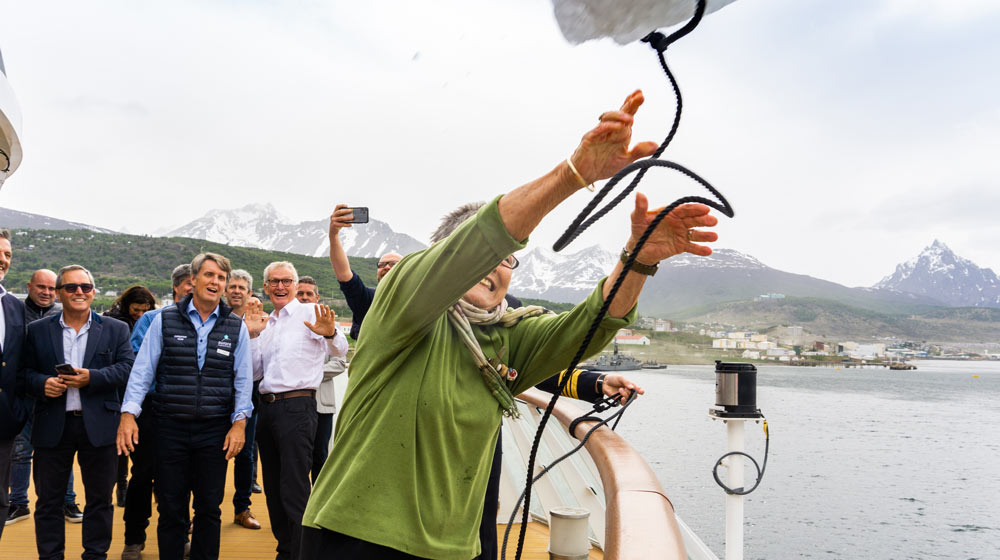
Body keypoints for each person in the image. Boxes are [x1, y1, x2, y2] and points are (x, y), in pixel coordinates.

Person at [300, 90, 719, 559]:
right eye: (484, 254)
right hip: (355, 537)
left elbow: (588, 325)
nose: (495, 264)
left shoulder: (507, 336)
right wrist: (574, 174)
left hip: (452, 548)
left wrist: (636, 262)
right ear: (446, 255)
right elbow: (480, 241)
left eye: (507, 260)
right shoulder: (403, 304)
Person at [117, 253, 253, 560]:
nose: (215, 282)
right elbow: (142, 372)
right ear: (193, 281)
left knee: (209, 508)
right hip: (170, 428)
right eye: (209, 275)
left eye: (221, 277)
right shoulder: (164, 320)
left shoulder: (236, 327)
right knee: (171, 508)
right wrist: (129, 414)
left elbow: (243, 381)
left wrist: (240, 423)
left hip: (214, 430)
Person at [23, 264, 135, 559]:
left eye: (85, 287)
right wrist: (41, 383)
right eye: (71, 287)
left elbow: (127, 369)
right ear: (59, 293)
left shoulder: (115, 328)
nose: (79, 292)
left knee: (100, 501)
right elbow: (23, 373)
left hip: (99, 426)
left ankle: (95, 556)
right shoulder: (36, 330)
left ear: (93, 291)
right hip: (51, 425)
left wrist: (92, 378)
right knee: (48, 502)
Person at [242, 261, 348, 560]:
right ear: (265, 287)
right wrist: (251, 336)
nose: (280, 286)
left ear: (294, 283)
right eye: (273, 281)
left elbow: (339, 350)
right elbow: (252, 373)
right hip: (267, 409)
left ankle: (305, 553)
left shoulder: (309, 312)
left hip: (298, 407)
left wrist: (329, 335)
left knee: (295, 488)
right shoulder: (266, 323)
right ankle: (286, 549)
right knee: (274, 489)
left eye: (286, 281)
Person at [120, 265, 194, 560]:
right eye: (190, 284)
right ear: (176, 287)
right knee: (143, 474)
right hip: (152, 409)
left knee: (179, 479)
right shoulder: (152, 318)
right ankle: (134, 539)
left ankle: (178, 538)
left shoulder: (205, 321)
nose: (195, 288)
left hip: (185, 411)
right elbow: (138, 364)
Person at [8, 268, 82, 526]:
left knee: (62, 450)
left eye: (52, 289)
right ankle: (18, 502)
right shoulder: (13, 311)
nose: (47, 293)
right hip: (24, 391)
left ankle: (68, 500)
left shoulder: (62, 315)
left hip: (57, 395)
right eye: (41, 287)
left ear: (59, 292)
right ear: (29, 286)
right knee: (20, 450)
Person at [103, 285, 157, 509]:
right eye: (136, 310)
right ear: (127, 306)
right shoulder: (112, 322)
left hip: (143, 392)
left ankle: (146, 482)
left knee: (142, 444)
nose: (141, 315)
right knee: (122, 443)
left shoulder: (155, 320)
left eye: (145, 310)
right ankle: (122, 485)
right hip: (119, 388)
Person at [293, 276, 347, 481]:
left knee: (319, 457)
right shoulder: (285, 324)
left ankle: (318, 506)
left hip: (321, 405)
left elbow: (339, 363)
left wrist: (310, 373)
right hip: (292, 405)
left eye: (309, 294)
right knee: (295, 458)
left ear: (317, 297)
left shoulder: (330, 325)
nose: (304, 298)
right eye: (300, 294)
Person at [327, 205, 401, 340]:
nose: (386, 267)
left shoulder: (418, 297)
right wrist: (333, 235)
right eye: (382, 265)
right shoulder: (368, 300)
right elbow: (344, 275)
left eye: (393, 264)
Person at [227, 269, 263, 530]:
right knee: (210, 455)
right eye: (233, 286)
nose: (237, 291)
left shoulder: (263, 322)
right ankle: (203, 512)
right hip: (217, 393)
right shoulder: (215, 320)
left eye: (242, 287)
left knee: (246, 454)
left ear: (250, 293)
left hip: (248, 394)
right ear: (226, 292)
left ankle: (242, 508)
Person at [0, 229, 30, 544]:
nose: (3, 259)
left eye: (8, 254)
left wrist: (17, 411)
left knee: (0, 499)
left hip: (3, 424)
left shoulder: (13, 306)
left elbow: (20, 363)